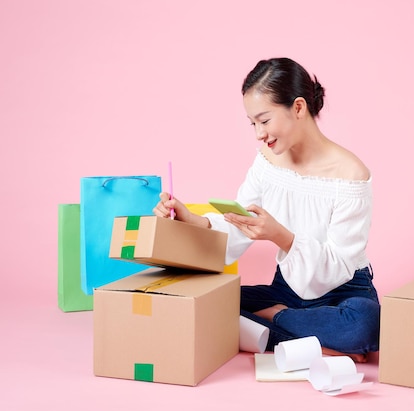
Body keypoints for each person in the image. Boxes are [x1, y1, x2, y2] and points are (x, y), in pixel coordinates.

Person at [153, 57, 379, 362]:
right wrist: (193, 220)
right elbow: (240, 223)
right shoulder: (266, 162)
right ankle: (316, 342)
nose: (259, 134)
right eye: (253, 123)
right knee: (209, 302)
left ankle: (275, 321)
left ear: (298, 108)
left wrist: (282, 237)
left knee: (363, 325)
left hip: (343, 290)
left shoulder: (351, 174)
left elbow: (338, 264)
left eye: (265, 120)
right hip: (286, 290)